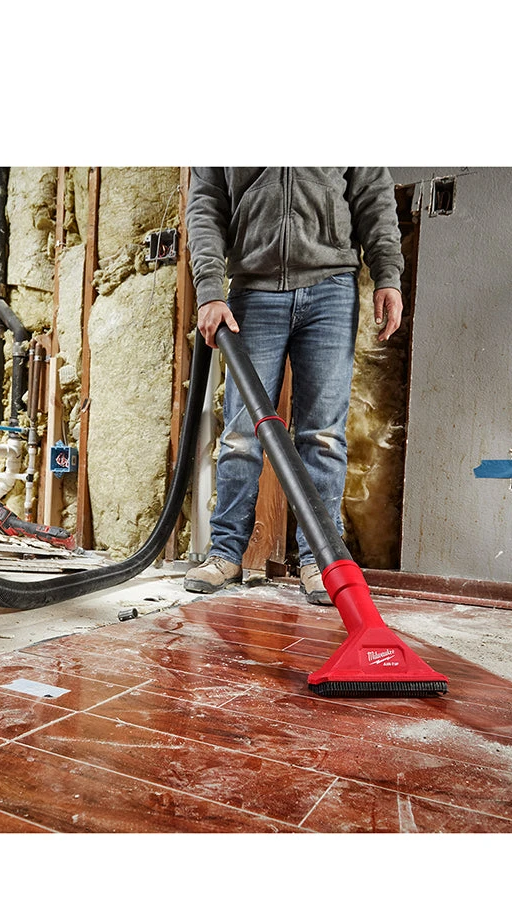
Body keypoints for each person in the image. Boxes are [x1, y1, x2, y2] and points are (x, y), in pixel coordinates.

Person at [183, 167, 404, 604]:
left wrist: (388, 276)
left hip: (331, 288)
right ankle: (225, 553)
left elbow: (374, 194)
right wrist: (210, 289)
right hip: (253, 289)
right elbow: (205, 204)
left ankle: (319, 561)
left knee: (323, 435)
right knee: (242, 435)